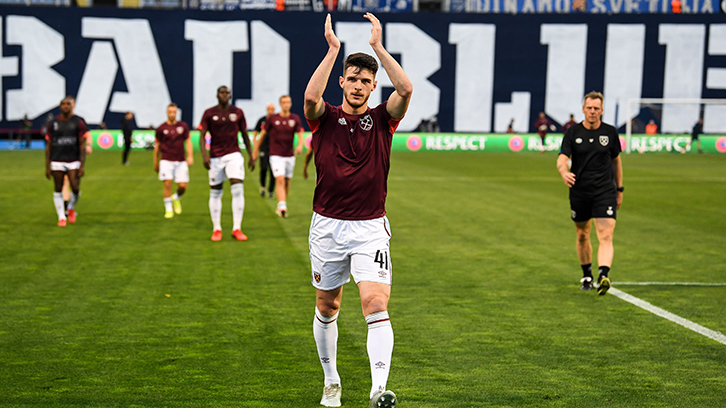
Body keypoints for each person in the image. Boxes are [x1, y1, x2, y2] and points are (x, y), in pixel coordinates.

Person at [303, 13, 412, 408]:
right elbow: (311, 99)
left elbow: (406, 88)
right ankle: (331, 380)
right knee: (327, 305)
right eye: (353, 78)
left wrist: (378, 49)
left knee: (375, 304)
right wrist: (334, 50)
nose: (359, 85)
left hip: (370, 228)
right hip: (328, 226)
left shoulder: (383, 119)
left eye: (366, 80)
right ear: (343, 82)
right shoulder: (325, 118)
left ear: (372, 86)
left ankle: (378, 389)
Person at [557, 91, 623, 296]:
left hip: (604, 191)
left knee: (605, 234)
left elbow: (616, 161)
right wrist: (563, 172)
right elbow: (561, 158)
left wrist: (619, 189)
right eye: (589, 108)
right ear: (583, 109)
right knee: (582, 234)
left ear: (602, 110)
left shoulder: (610, 133)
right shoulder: (573, 133)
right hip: (580, 192)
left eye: (596, 108)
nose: (593, 111)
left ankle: (604, 275)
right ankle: (587, 275)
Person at [198, 86, 255, 242]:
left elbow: (244, 134)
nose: (225, 95)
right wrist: (204, 155)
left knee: (237, 188)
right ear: (217, 95)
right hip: (215, 157)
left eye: (227, 93)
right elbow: (202, 135)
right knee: (215, 192)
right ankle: (217, 228)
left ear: (230, 95)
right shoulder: (209, 113)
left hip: (234, 154)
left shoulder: (237, 112)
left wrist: (251, 155)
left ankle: (237, 228)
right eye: (222, 93)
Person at [252, 95, 304, 218]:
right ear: (280, 104)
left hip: (289, 155)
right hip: (275, 155)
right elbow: (263, 133)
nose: (286, 104)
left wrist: (300, 145)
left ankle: (282, 203)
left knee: (286, 181)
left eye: (288, 102)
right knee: (279, 179)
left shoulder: (295, 118)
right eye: (284, 102)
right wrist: (255, 150)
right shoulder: (273, 119)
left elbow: (300, 133)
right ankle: (282, 206)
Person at [45, 96, 89, 227]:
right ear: (60, 107)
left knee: (75, 188)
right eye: (63, 104)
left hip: (73, 160)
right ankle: (61, 217)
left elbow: (82, 144)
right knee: (58, 188)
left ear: (72, 107)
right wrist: (47, 166)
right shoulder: (53, 123)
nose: (65, 106)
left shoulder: (78, 122)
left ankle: (70, 207)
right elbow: (49, 145)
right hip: (57, 159)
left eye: (68, 104)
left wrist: (82, 165)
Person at [154, 103, 193, 219]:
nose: (172, 114)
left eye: (174, 112)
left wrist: (190, 156)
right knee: (167, 184)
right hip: (166, 159)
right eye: (170, 112)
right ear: (167, 112)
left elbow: (188, 141)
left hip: (180, 160)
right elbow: (157, 146)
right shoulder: (161, 128)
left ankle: (175, 198)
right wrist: (156, 161)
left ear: (176, 113)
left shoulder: (183, 126)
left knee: (183, 186)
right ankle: (168, 209)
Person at [253, 104, 276, 198]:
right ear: (267, 109)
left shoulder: (276, 120)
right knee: (263, 168)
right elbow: (255, 133)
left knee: (273, 171)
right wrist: (255, 148)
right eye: (269, 109)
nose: (271, 111)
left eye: (272, 109)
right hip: (263, 147)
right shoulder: (262, 120)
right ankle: (263, 187)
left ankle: (271, 191)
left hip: (274, 149)